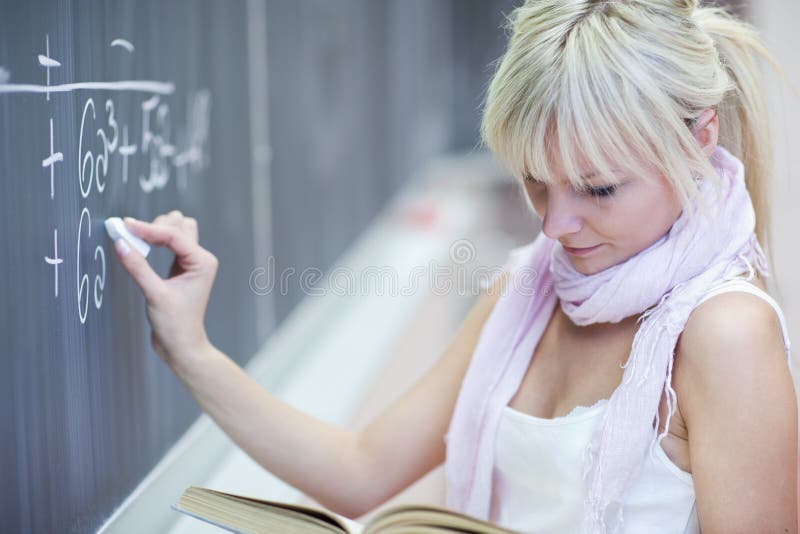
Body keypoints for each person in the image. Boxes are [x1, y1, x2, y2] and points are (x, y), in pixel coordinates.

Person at [111, 0, 798, 532]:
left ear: (700, 138)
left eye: (598, 188)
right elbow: (361, 470)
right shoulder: (528, 289)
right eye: (534, 181)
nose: (553, 225)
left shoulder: (725, 334)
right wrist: (190, 349)